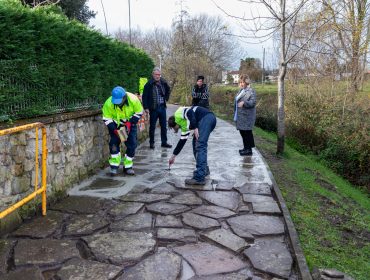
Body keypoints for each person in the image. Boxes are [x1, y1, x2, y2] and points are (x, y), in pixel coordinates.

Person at [168, 106, 217, 185]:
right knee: (195, 143)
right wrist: (173, 156)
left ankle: (199, 178)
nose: (175, 130)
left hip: (206, 118)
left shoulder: (177, 114)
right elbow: (181, 142)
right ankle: (204, 170)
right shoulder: (183, 126)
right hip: (205, 120)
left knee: (200, 145)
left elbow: (190, 112)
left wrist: (195, 127)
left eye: (174, 128)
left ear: (174, 124)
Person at [102, 86, 144, 175]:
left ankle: (128, 166)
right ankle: (114, 167)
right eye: (116, 102)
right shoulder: (108, 103)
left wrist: (129, 124)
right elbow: (106, 118)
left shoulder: (133, 99)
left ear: (124, 97)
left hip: (130, 124)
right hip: (116, 125)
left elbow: (139, 112)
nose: (118, 104)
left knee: (132, 145)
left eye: (119, 101)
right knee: (113, 144)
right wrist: (115, 130)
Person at [142, 67, 172, 149]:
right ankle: (151, 143)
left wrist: (166, 98)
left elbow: (168, 89)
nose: (158, 76)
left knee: (163, 126)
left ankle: (164, 142)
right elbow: (144, 97)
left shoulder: (163, 82)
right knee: (152, 127)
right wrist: (146, 107)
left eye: (159, 75)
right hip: (153, 108)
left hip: (162, 107)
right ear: (153, 75)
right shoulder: (148, 84)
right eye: (156, 74)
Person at [234, 74, 256, 156]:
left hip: (247, 117)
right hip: (240, 116)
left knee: (247, 133)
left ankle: (248, 150)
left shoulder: (251, 91)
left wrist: (244, 103)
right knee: (243, 132)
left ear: (246, 82)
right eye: (240, 82)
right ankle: (246, 148)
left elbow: (253, 103)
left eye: (242, 82)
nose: (241, 84)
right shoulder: (241, 91)